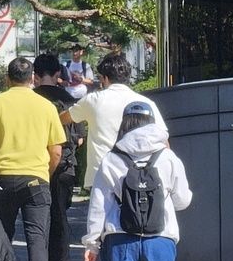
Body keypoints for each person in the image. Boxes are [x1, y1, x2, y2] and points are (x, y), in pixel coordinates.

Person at [0, 57, 66, 261]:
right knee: (38, 242)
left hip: (3, 180)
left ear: (7, 79)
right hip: (36, 180)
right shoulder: (47, 106)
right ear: (32, 79)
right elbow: (56, 151)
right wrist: (45, 174)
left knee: (1, 241)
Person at [82, 102, 192, 261]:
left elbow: (99, 206)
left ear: (124, 124)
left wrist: (92, 244)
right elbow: (182, 201)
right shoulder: (169, 157)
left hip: (119, 241)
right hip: (160, 240)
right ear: (152, 122)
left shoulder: (111, 159)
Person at [60, 53, 167, 188]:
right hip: (139, 177)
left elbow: (63, 119)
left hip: (102, 175)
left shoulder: (93, 100)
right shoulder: (146, 103)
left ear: (104, 78)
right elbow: (163, 141)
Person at [33, 54, 86, 261]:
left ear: (35, 76)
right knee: (60, 217)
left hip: (36, 166)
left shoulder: (31, 100)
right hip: (65, 165)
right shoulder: (70, 100)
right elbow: (80, 138)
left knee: (36, 219)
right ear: (58, 75)